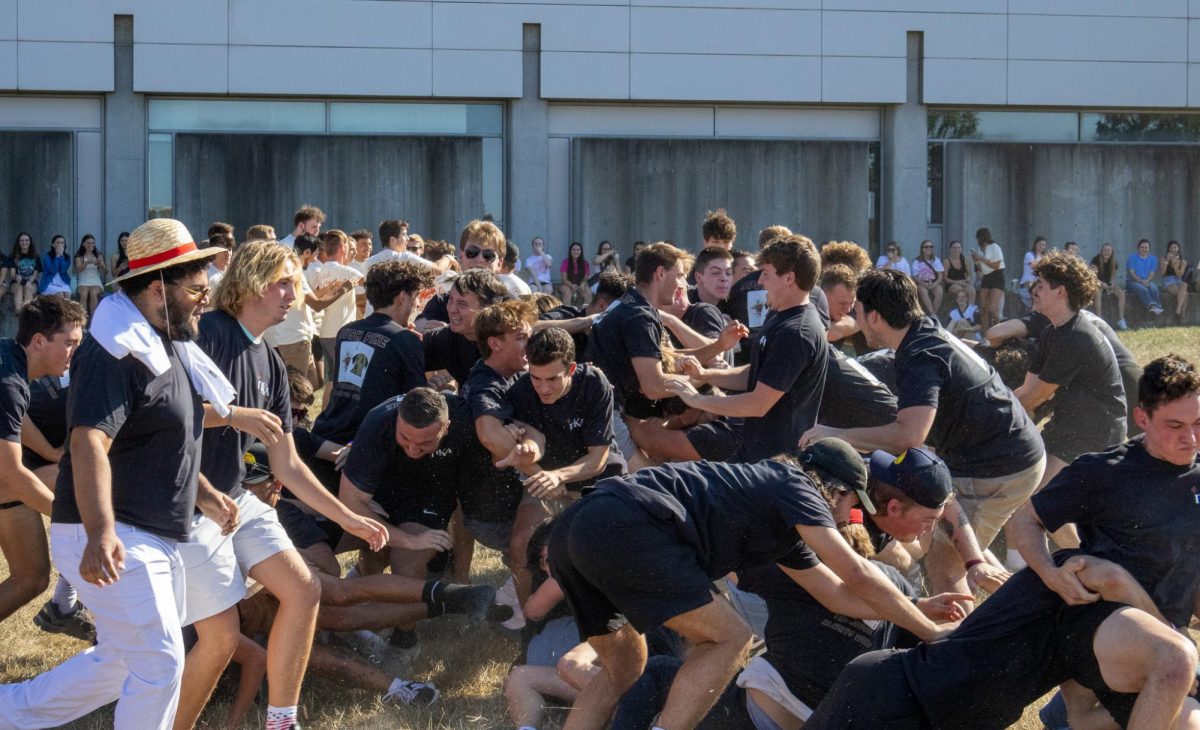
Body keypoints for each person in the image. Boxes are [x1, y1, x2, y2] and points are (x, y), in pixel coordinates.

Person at [810, 355, 1200, 729]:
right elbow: (1062, 544)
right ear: (1142, 418)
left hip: (941, 702)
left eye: (1198, 422)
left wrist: (976, 562)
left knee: (1178, 710)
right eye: (1176, 426)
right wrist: (1048, 571)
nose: (1191, 437)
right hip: (895, 701)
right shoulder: (1088, 540)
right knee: (1176, 661)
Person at [0, 218, 235, 729]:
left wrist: (205, 493)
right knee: (161, 663)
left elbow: (157, 437)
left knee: (122, 663)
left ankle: (7, 712)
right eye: (197, 288)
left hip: (150, 531)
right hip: (113, 531)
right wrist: (101, 531)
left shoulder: (164, 342)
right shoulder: (113, 349)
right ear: (158, 288)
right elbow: (88, 441)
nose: (205, 297)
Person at [547, 444, 956, 730]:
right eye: (850, 506)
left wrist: (917, 606)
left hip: (575, 529)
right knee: (731, 637)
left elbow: (836, 596)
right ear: (838, 490)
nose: (849, 517)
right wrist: (929, 632)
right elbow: (858, 574)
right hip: (627, 524)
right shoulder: (796, 484)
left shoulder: (776, 517)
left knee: (625, 669)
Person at [180, 240, 389, 730]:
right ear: (251, 281)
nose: (295, 293)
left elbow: (289, 464)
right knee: (219, 638)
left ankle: (281, 719)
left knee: (303, 588)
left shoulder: (271, 361)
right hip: (186, 503)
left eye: (294, 283)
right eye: (284, 282)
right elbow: (169, 413)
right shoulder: (208, 333)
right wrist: (235, 415)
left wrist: (349, 517)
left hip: (235, 501)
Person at [800, 268, 1045, 600]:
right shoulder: (922, 333)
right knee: (946, 538)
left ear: (873, 316)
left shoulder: (919, 355)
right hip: (1002, 454)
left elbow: (908, 437)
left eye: (857, 311)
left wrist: (837, 435)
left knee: (944, 566)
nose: (854, 319)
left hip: (999, 467)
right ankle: (988, 584)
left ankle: (962, 640)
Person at [667, 235, 827, 463]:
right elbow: (759, 374)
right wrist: (705, 375)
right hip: (754, 454)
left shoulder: (796, 333)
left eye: (766, 274)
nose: (760, 281)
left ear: (789, 279)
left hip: (777, 466)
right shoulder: (779, 315)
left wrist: (696, 400)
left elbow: (758, 403)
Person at [586, 242, 730, 461]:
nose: (683, 284)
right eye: (680, 275)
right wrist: (701, 380)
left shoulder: (629, 301)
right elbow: (654, 386)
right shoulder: (640, 316)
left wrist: (718, 346)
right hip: (605, 413)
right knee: (649, 486)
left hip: (603, 407)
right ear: (661, 273)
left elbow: (668, 357)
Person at [1013, 252, 1126, 523]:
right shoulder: (1051, 332)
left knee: (1034, 500)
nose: (1034, 290)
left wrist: (987, 418)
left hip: (1096, 434)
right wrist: (995, 408)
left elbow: (1036, 396)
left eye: (1040, 284)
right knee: (1029, 496)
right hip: (1069, 428)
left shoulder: (1075, 336)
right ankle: (1074, 557)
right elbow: (1026, 390)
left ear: (1060, 291)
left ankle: (1058, 560)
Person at [0, 297, 86, 633]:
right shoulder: (8, 383)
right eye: (69, 343)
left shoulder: (11, 356)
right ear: (39, 341)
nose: (74, 353)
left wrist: (51, 452)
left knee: (32, 576)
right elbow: (12, 475)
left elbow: (13, 420)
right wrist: (78, 522)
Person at [308, 260, 433, 450]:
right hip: (367, 443)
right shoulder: (406, 340)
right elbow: (416, 402)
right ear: (402, 297)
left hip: (327, 434)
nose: (417, 304)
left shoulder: (346, 332)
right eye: (415, 296)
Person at [423, 268, 509, 387]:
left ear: (488, 309)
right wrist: (420, 383)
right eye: (450, 300)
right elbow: (404, 354)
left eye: (462, 304)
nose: (451, 309)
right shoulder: (450, 338)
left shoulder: (511, 343)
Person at [971, 226, 1006, 331]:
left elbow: (996, 265)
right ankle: (985, 335)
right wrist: (976, 261)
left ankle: (1002, 328)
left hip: (997, 275)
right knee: (983, 309)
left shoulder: (995, 247)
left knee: (992, 308)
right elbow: (979, 267)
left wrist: (981, 258)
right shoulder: (980, 250)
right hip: (986, 277)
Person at [1090, 241, 1128, 330]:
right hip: (1097, 283)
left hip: (1108, 284)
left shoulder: (1113, 261)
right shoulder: (1095, 260)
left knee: (1121, 294)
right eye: (1105, 250)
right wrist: (1102, 284)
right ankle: (1099, 318)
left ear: (1111, 252)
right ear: (1101, 251)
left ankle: (1121, 319)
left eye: (1109, 250)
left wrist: (1112, 284)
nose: (1107, 252)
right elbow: (1093, 277)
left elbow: (1113, 276)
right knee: (1098, 292)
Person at [1126, 237, 1163, 317]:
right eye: (1142, 247)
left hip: (1147, 280)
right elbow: (1132, 273)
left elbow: (1152, 273)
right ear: (1138, 248)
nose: (1144, 249)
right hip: (1132, 281)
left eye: (1146, 247)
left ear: (1149, 249)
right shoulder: (1132, 258)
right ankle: (1152, 306)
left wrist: (1146, 281)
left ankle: (1157, 307)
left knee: (1154, 288)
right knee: (1142, 289)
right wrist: (1141, 281)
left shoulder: (1153, 259)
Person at [73, 234, 106, 320]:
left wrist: (101, 264)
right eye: (88, 243)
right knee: (84, 294)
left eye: (92, 243)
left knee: (93, 293)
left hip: (96, 281)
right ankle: (83, 322)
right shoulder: (79, 256)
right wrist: (87, 262)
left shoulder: (98, 255)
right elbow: (78, 270)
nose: (91, 245)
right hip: (83, 281)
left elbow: (106, 272)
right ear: (83, 244)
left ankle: (93, 321)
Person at [911, 240, 945, 317]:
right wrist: (924, 284)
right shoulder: (917, 261)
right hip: (921, 282)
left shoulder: (936, 260)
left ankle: (933, 315)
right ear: (922, 249)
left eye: (931, 246)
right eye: (926, 247)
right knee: (923, 291)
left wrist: (935, 284)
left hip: (934, 282)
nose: (929, 248)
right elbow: (915, 277)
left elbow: (940, 275)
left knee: (939, 291)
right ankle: (932, 313)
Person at [1160, 238, 1189, 322]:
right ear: (1168, 249)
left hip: (1178, 279)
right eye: (1171, 248)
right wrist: (1167, 261)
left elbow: (1179, 275)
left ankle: (1178, 310)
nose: (1173, 249)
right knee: (1185, 294)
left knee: (1184, 284)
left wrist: (1175, 265)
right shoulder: (1163, 258)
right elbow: (1162, 273)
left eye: (1175, 247)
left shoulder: (1183, 261)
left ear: (1178, 248)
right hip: (1168, 280)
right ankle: (1182, 316)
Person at [10, 233, 40, 312]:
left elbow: (36, 273)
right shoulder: (13, 256)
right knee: (19, 288)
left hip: (32, 282)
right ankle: (18, 311)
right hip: (16, 282)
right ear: (18, 243)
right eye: (22, 240)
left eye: (27, 240)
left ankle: (28, 313)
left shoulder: (35, 256)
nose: (24, 242)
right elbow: (12, 274)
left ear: (30, 242)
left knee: (28, 289)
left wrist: (29, 281)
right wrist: (16, 277)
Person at [943, 239, 975, 308]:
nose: (956, 250)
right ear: (950, 249)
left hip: (963, 282)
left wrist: (968, 280)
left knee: (971, 290)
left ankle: (970, 310)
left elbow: (969, 274)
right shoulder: (947, 261)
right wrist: (958, 282)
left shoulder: (965, 259)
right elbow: (945, 278)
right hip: (952, 283)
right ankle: (962, 311)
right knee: (961, 291)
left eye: (958, 248)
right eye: (954, 248)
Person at [1018, 235, 1047, 310]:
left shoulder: (1044, 257)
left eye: (1044, 245)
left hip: (1039, 284)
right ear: (1035, 244)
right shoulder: (1029, 255)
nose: (1042, 246)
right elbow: (1035, 267)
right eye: (1040, 244)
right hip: (1028, 284)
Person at [559, 242, 590, 307]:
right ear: (570, 251)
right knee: (567, 293)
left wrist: (583, 284)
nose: (575, 251)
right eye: (573, 250)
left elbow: (585, 277)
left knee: (588, 293)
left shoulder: (585, 263)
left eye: (578, 250)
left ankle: (586, 313)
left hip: (580, 284)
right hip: (566, 284)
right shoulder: (565, 262)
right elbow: (564, 279)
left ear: (581, 251)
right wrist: (572, 285)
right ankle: (567, 313)